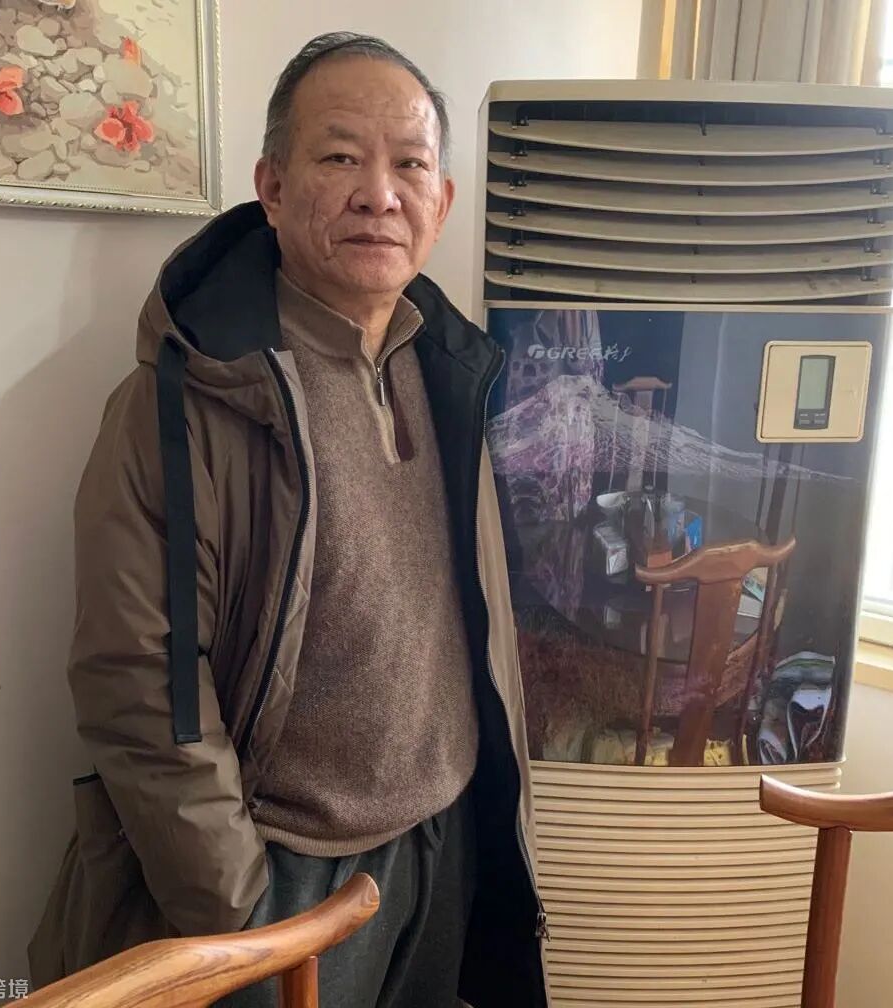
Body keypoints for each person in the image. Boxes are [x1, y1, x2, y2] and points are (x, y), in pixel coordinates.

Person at [27, 31, 547, 1008]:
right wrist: (244, 921)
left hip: (440, 846)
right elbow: (138, 685)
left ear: (442, 201)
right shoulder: (186, 398)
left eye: (410, 165)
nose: (379, 194)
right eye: (340, 156)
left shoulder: (454, 374)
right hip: (281, 869)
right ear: (271, 186)